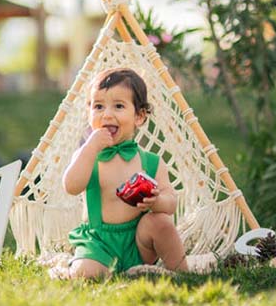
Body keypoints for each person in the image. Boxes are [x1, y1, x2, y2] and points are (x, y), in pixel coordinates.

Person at [62, 68, 188, 279]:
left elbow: (171, 202)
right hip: (98, 242)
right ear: (89, 112)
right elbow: (71, 186)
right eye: (98, 106)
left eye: (118, 106)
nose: (107, 114)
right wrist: (90, 148)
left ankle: (184, 272)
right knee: (85, 273)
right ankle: (92, 267)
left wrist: (156, 202)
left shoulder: (151, 162)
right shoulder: (87, 156)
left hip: (139, 241)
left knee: (161, 223)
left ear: (139, 116)